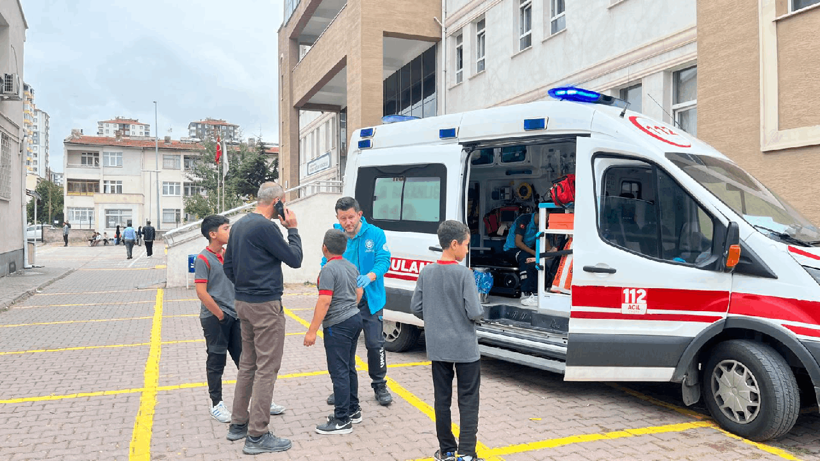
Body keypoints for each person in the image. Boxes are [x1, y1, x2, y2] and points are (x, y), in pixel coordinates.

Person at [223, 182, 302, 455]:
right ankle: (257, 435)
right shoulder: (266, 227)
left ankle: (238, 423)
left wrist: (245, 288)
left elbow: (228, 266)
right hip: (265, 305)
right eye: (284, 203)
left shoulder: (240, 225)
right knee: (267, 368)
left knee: (248, 364)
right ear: (277, 202)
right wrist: (292, 228)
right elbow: (294, 259)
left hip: (243, 302)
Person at [411, 220, 484, 461]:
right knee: (468, 400)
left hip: (437, 347)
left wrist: (435, 318)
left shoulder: (426, 272)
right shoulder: (464, 274)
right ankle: (466, 454)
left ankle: (447, 450)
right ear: (454, 244)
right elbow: (474, 312)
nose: (467, 250)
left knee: (441, 400)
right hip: (465, 348)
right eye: (466, 245)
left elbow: (416, 307)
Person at [324, 197, 393, 407]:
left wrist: (370, 276)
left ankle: (380, 385)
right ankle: (342, 388)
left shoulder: (375, 234)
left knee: (374, 344)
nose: (347, 222)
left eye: (351, 217)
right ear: (337, 217)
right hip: (345, 302)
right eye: (342, 218)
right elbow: (325, 260)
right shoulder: (335, 234)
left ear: (359, 215)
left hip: (371, 300)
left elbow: (384, 260)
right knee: (343, 348)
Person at [304, 229, 364, 435]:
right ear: (345, 248)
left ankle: (341, 420)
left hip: (338, 324)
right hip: (354, 318)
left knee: (339, 370)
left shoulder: (328, 269)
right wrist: (349, 309)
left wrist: (311, 331)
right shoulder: (351, 266)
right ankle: (353, 410)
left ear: (324, 248)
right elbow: (359, 291)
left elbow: (325, 300)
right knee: (349, 367)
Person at [195, 215, 253, 423]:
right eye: (226, 229)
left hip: (235, 316)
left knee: (245, 360)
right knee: (216, 360)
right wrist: (220, 315)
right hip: (215, 318)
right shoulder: (203, 259)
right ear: (213, 234)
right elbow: (202, 292)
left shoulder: (227, 254)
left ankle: (258, 399)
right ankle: (216, 403)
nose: (230, 232)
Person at [502, 211, 554, 307]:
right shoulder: (525, 219)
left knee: (543, 260)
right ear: (540, 213)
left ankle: (541, 290)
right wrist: (534, 254)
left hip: (527, 250)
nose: (547, 219)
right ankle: (525, 293)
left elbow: (547, 247)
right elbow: (518, 242)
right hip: (511, 249)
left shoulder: (543, 225)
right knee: (525, 258)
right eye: (547, 216)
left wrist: (551, 251)